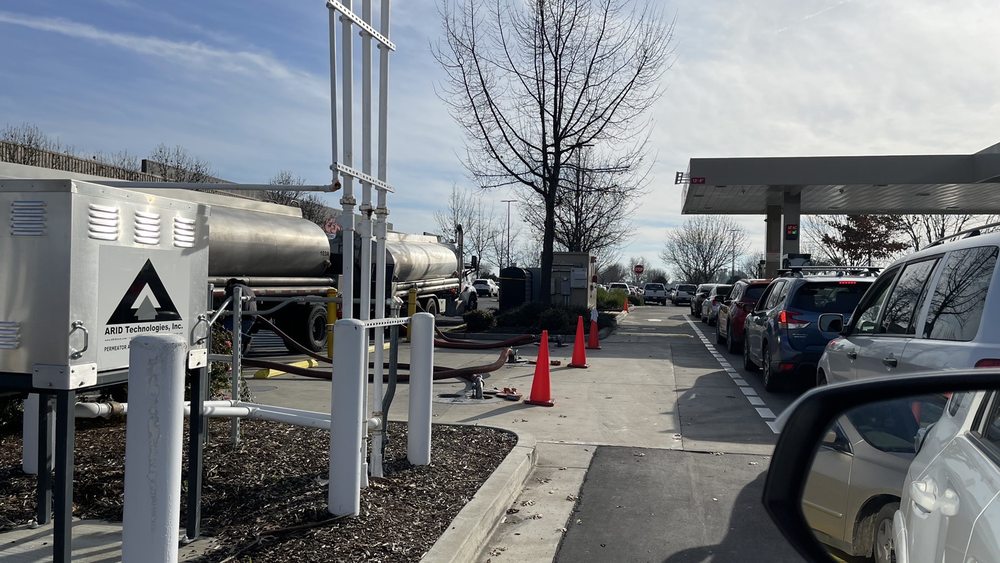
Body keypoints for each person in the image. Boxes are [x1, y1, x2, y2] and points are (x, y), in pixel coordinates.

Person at [223, 279, 257, 351]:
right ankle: (237, 354)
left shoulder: (234, 288)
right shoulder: (248, 289)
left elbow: (226, 303)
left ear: (230, 283)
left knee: (225, 331)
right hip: (251, 316)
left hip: (240, 315)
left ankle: (245, 338)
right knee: (236, 336)